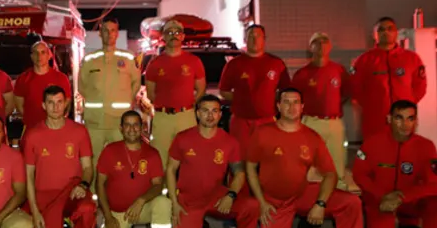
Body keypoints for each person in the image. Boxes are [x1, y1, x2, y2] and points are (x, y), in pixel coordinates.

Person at [244, 88, 369, 228]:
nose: (291, 107)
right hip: (274, 200)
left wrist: (320, 204)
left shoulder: (312, 137)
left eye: (296, 102)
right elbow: (250, 167)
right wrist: (261, 201)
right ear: (278, 106)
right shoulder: (263, 132)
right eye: (286, 102)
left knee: (351, 202)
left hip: (303, 194)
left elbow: (330, 174)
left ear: (302, 107)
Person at [353, 100, 437, 228]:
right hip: (381, 201)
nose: (405, 124)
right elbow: (359, 174)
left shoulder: (426, 146)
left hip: (410, 200)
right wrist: (382, 195)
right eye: (399, 118)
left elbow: (434, 184)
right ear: (389, 119)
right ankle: (371, 226)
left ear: (416, 121)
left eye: (410, 119)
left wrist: (402, 197)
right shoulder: (373, 142)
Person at [165, 95, 259, 228]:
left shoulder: (230, 142)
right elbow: (170, 170)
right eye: (205, 111)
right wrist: (174, 203)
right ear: (197, 114)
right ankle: (197, 227)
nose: (210, 115)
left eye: (215, 111)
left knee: (252, 206)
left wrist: (231, 195)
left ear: (220, 115)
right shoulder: (183, 138)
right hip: (188, 199)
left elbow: (239, 172)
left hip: (217, 196)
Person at [24, 85, 97, 228]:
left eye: (59, 102)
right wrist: (35, 211)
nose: (56, 108)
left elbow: (88, 168)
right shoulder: (33, 135)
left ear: (66, 104)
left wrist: (83, 184)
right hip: (46, 198)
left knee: (87, 209)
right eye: (50, 103)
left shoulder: (79, 131)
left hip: (72, 192)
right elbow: (28, 176)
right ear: (43, 105)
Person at [95, 110, 171, 228]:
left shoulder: (152, 154)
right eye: (127, 125)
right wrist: (108, 216)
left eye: (136, 124)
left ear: (142, 127)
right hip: (118, 212)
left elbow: (158, 185)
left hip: (142, 209)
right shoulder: (110, 151)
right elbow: (99, 184)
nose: (131, 129)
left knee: (163, 203)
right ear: (121, 129)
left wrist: (141, 200)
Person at [77, 17, 140, 184]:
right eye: (105, 30)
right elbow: (81, 87)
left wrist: (125, 99)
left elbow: (135, 84)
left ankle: (119, 194)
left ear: (117, 34)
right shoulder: (90, 60)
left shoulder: (127, 58)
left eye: (112, 30)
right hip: (95, 122)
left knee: (120, 161)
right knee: (92, 162)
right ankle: (92, 199)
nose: (109, 34)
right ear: (100, 33)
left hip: (119, 122)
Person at [292, 32, 353, 191]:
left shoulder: (338, 70)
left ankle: (338, 188)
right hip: (311, 122)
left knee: (337, 158)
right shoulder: (302, 74)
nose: (321, 45)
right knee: (308, 160)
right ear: (310, 47)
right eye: (316, 42)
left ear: (330, 46)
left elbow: (346, 93)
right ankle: (308, 191)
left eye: (324, 41)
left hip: (334, 122)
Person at [217, 24, 291, 157]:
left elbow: (286, 91)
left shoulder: (276, 63)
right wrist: (243, 99)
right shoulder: (234, 64)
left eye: (258, 36)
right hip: (241, 122)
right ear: (245, 39)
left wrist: (266, 98)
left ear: (264, 39)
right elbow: (223, 91)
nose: (254, 39)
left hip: (267, 121)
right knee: (240, 160)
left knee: (268, 159)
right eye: (251, 36)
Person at [351, 17, 426, 141]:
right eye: (381, 29)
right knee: (377, 154)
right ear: (375, 35)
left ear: (396, 32)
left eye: (390, 29)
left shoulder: (411, 59)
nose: (386, 32)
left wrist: (407, 105)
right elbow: (356, 89)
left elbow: (420, 87)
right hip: (375, 120)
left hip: (404, 119)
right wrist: (373, 106)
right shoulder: (364, 61)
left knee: (405, 154)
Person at [144, 19, 206, 167]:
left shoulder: (194, 61)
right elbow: (151, 94)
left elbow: (201, 89)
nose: (174, 35)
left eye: (177, 32)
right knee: (160, 158)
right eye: (169, 32)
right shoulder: (155, 63)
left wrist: (188, 105)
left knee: (190, 158)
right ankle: (164, 190)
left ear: (183, 36)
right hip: (163, 118)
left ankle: (186, 189)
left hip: (186, 117)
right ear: (163, 37)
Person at [14, 41, 72, 144]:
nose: (39, 56)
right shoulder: (23, 79)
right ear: (31, 56)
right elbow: (19, 104)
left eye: (43, 52)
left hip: (55, 130)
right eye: (35, 52)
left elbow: (67, 101)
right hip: (31, 130)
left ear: (49, 55)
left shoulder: (61, 78)